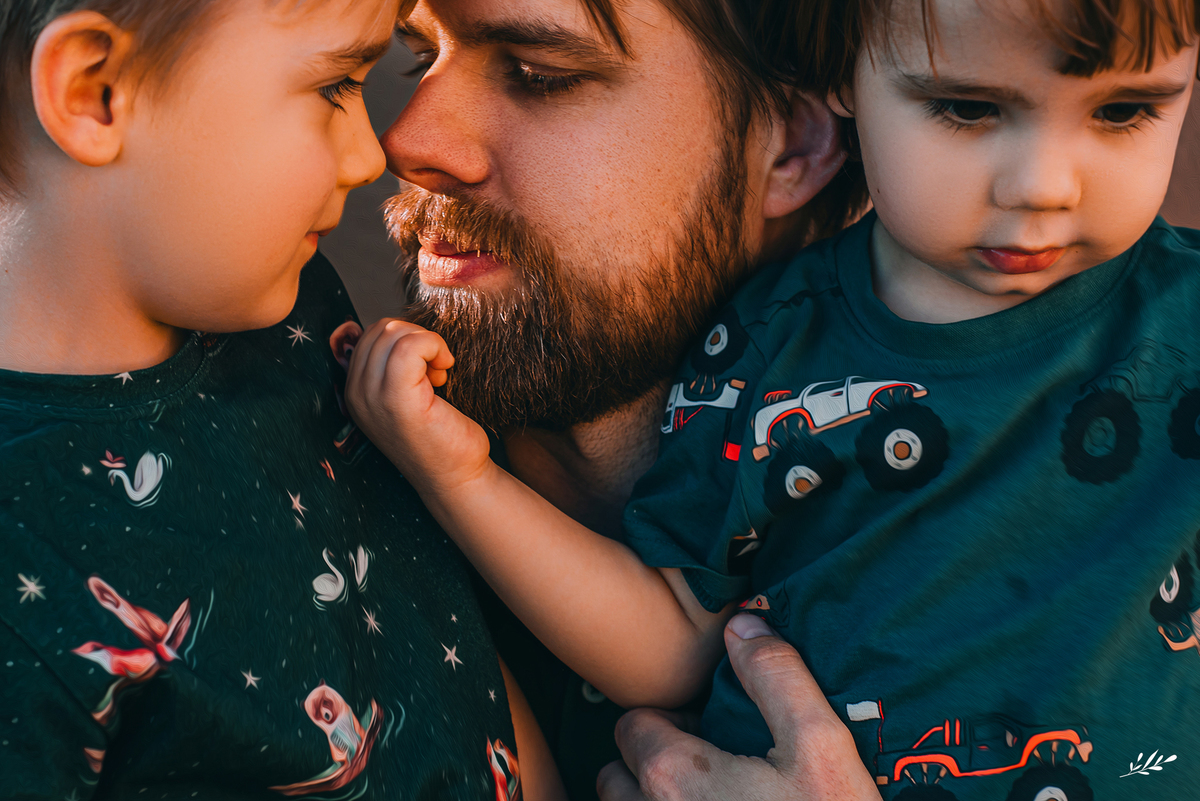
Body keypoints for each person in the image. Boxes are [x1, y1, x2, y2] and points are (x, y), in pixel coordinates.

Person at [348, 0, 1200, 796]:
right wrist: (457, 476)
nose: (407, 137)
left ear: (794, 145)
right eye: (422, 56)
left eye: (541, 74)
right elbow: (669, 638)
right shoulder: (336, 560)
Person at [0, 1, 568, 798]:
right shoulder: (21, 569)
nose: (371, 154)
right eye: (335, 85)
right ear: (95, 92)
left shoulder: (290, 308)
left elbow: (442, 641)